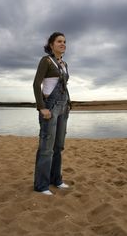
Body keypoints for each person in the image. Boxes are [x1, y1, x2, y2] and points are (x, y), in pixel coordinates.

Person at [33, 32, 71, 195]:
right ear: (51, 45)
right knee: (46, 148)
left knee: (58, 146)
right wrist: (42, 107)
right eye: (59, 41)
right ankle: (41, 185)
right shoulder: (46, 61)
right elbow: (36, 84)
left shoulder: (64, 64)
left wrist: (68, 105)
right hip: (50, 106)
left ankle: (56, 179)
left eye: (64, 42)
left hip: (63, 107)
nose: (63, 44)